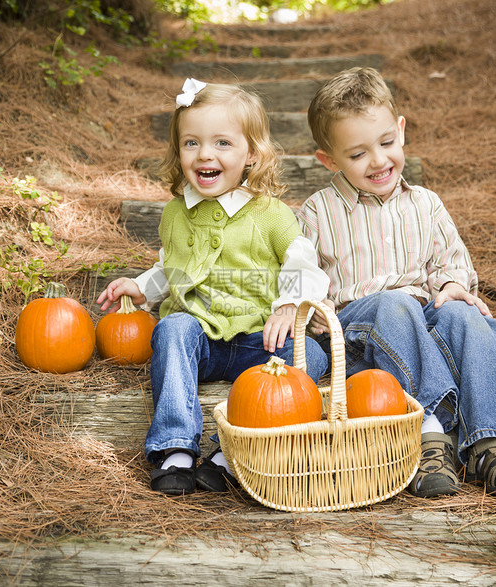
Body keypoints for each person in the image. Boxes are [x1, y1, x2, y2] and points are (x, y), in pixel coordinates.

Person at [298, 67, 496, 498]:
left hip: (424, 319)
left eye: (387, 143)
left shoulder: (425, 203)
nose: (378, 161)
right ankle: (430, 434)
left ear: (401, 131)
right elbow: (301, 277)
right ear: (328, 160)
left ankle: (491, 443)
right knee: (395, 304)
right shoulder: (317, 212)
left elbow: (452, 260)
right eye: (357, 155)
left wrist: (451, 286)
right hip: (363, 335)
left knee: (468, 316)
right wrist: (314, 311)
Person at [97, 79, 330, 496]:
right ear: (179, 152)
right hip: (199, 339)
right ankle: (176, 449)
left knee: (310, 355)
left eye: (222, 143)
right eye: (192, 143)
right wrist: (141, 286)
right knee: (170, 330)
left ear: (251, 154)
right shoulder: (175, 214)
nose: (205, 154)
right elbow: (175, 268)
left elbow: (303, 262)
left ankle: (230, 453)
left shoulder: (270, 214)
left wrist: (288, 306)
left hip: (259, 343)